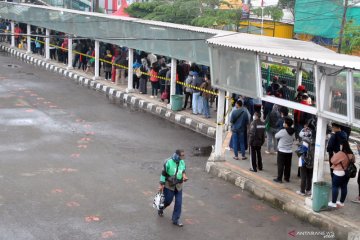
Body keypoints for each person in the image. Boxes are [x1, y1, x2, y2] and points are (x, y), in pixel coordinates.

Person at [158, 150, 188, 227]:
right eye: (181, 156)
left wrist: (184, 176)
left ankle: (175, 220)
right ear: (177, 155)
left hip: (179, 186)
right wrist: (161, 184)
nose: (183, 157)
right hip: (169, 185)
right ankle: (161, 207)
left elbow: (183, 170)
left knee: (178, 203)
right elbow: (163, 174)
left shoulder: (182, 162)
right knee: (168, 201)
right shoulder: (168, 162)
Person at [328, 140, 355, 208]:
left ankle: (333, 202)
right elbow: (353, 161)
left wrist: (335, 155)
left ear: (343, 146)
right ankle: (341, 202)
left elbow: (332, 161)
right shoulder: (351, 154)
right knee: (344, 186)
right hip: (347, 173)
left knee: (335, 186)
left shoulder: (341, 153)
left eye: (341, 145)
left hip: (338, 172)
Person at [273, 117, 295, 183]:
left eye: (284, 122)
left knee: (281, 165)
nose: (283, 123)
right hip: (289, 151)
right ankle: (287, 178)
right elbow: (293, 138)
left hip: (282, 151)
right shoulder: (293, 131)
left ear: (286, 124)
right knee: (288, 166)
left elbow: (276, 136)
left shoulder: (283, 131)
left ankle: (279, 178)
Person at [296, 122, 314, 196]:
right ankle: (308, 190)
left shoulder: (305, 140)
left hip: (304, 161)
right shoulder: (314, 140)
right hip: (312, 161)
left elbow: (301, 151)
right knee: (309, 176)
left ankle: (302, 191)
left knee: (303, 176)